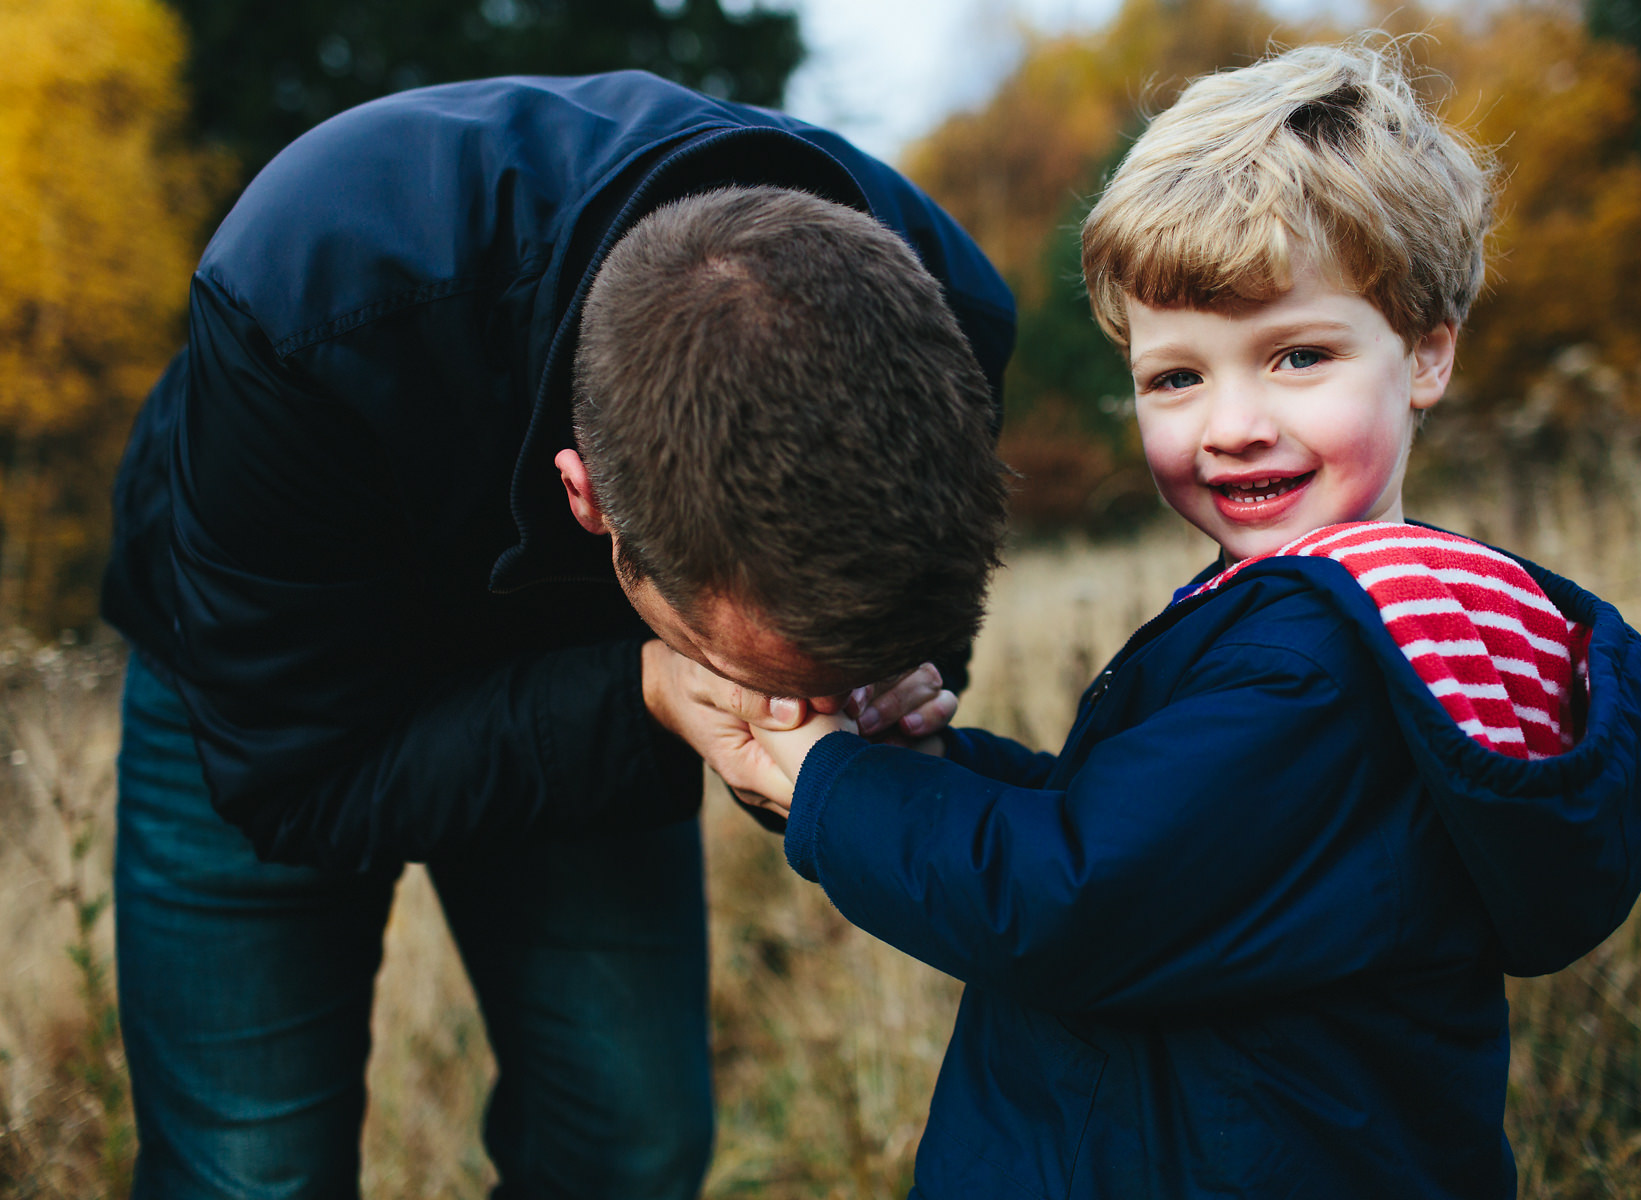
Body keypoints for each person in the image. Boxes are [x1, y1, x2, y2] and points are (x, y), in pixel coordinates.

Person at [708, 42, 1641, 1197]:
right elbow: (1152, 839)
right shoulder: (1388, 622)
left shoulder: (1314, 663)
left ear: (1424, 352)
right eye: (1177, 378)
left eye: (1297, 357)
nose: (1235, 424)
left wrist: (830, 785)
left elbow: (1072, 903)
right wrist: (922, 761)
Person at [101, 72, 1014, 1198]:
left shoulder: (947, 315)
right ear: (590, 504)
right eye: (764, 680)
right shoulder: (303, 289)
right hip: (270, 684)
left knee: (632, 1144)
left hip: (596, 685)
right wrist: (643, 693)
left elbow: (900, 610)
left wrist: (877, 708)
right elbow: (299, 784)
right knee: (248, 1171)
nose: (791, 709)